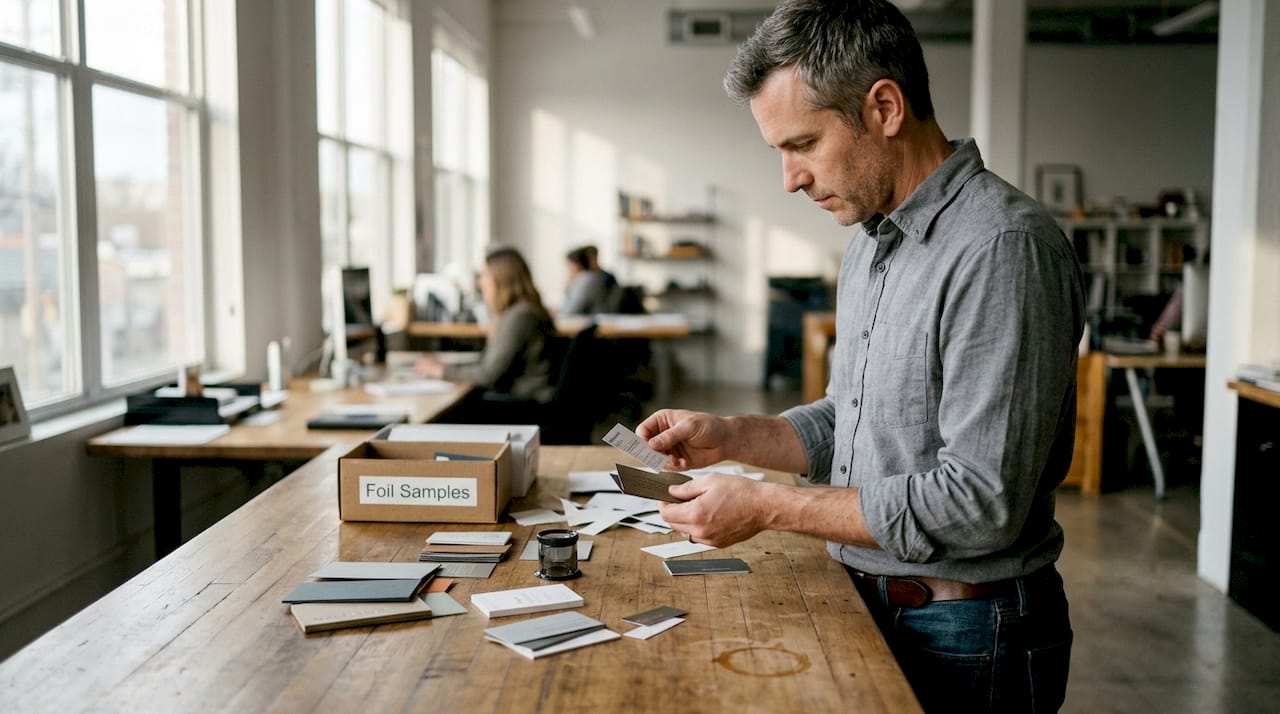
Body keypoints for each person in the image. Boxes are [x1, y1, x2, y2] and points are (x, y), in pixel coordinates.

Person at [636, 2, 1085, 711]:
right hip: (872, 602)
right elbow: (856, 416)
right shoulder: (872, 242)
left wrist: (768, 506)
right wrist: (732, 438)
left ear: (883, 107)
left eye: (803, 144)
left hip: (968, 630)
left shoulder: (1002, 248)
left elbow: (980, 503)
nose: (789, 178)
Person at [414, 246, 556, 402]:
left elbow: (488, 375)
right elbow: (489, 363)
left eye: (485, 275)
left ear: (502, 279)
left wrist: (441, 371)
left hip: (522, 404)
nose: (480, 283)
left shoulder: (520, 316)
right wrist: (446, 367)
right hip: (523, 399)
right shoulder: (524, 310)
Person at [560, 246, 609, 315]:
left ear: (578, 265)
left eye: (570, 265)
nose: (568, 269)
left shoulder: (586, 280)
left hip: (588, 321)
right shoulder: (586, 278)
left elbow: (573, 309)